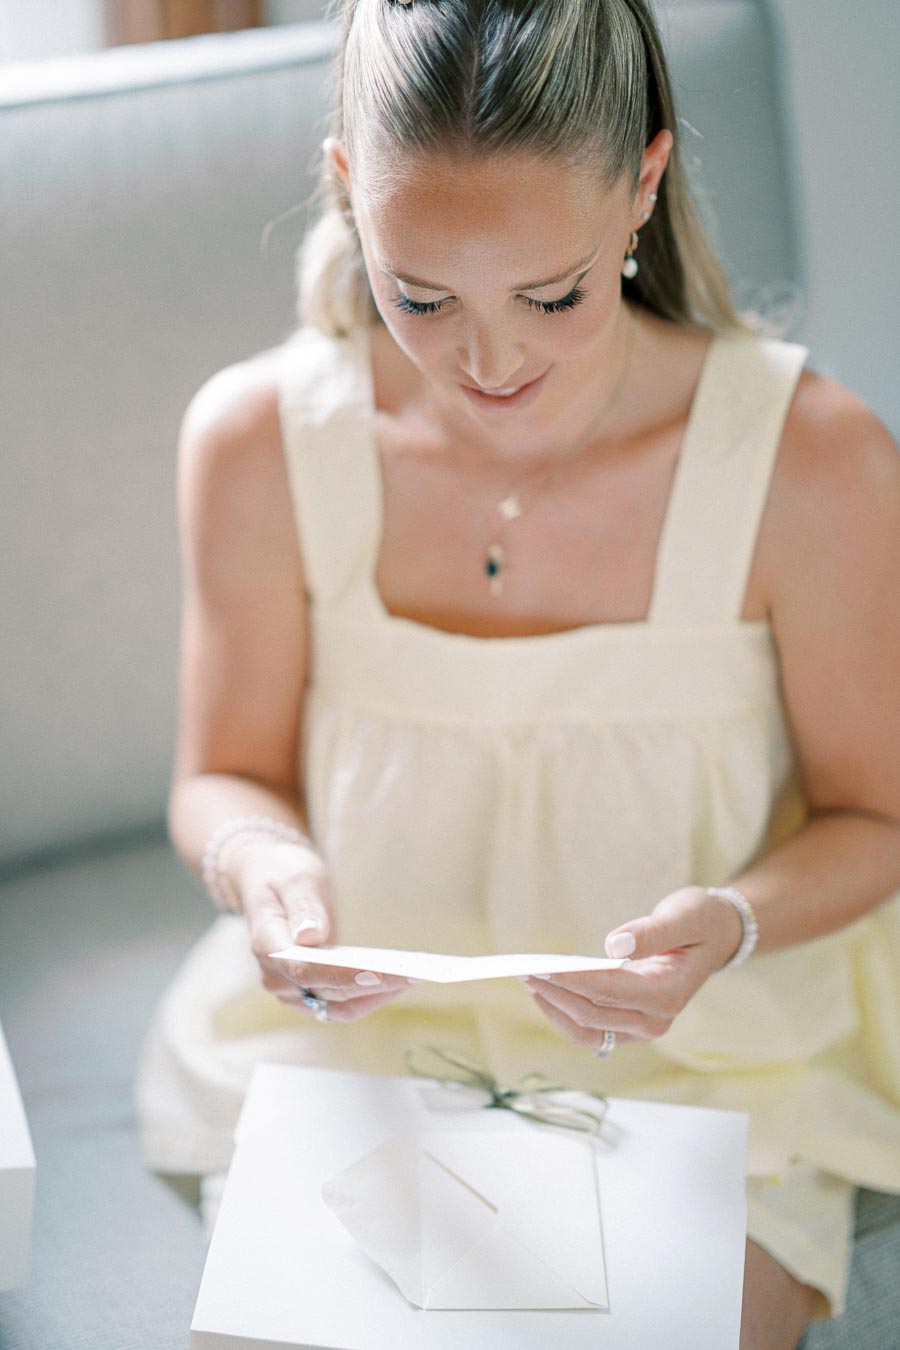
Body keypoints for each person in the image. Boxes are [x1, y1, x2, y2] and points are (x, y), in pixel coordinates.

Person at [136, 1, 900, 1346]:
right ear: (346, 194)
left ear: (643, 189)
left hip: (714, 1047)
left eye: (552, 295)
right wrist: (262, 861)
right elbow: (222, 771)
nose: (488, 365)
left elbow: (877, 817)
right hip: (360, 1042)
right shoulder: (257, 442)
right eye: (418, 293)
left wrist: (723, 919)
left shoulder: (814, 463)